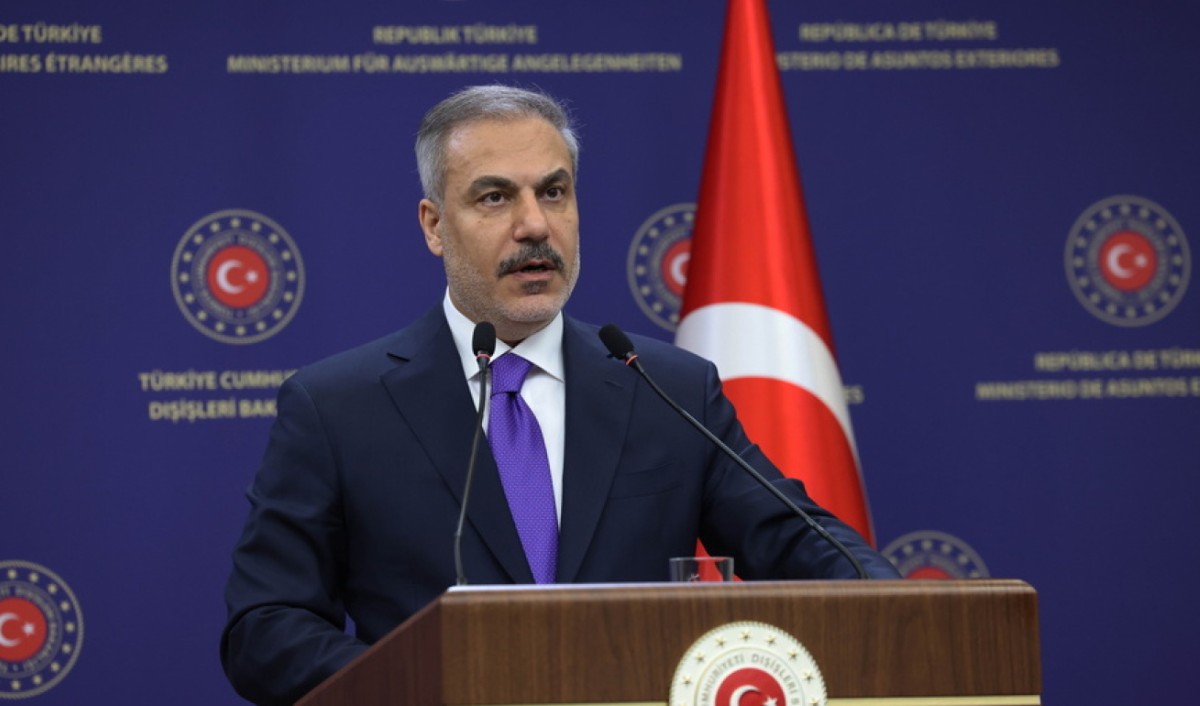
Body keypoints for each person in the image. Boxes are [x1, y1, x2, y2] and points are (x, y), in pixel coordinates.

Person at [220, 84, 900, 706]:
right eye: (494, 198)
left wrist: (901, 608)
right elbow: (266, 625)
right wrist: (417, 687)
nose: (534, 226)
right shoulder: (338, 407)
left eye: (553, 192)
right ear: (434, 225)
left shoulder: (667, 388)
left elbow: (798, 540)